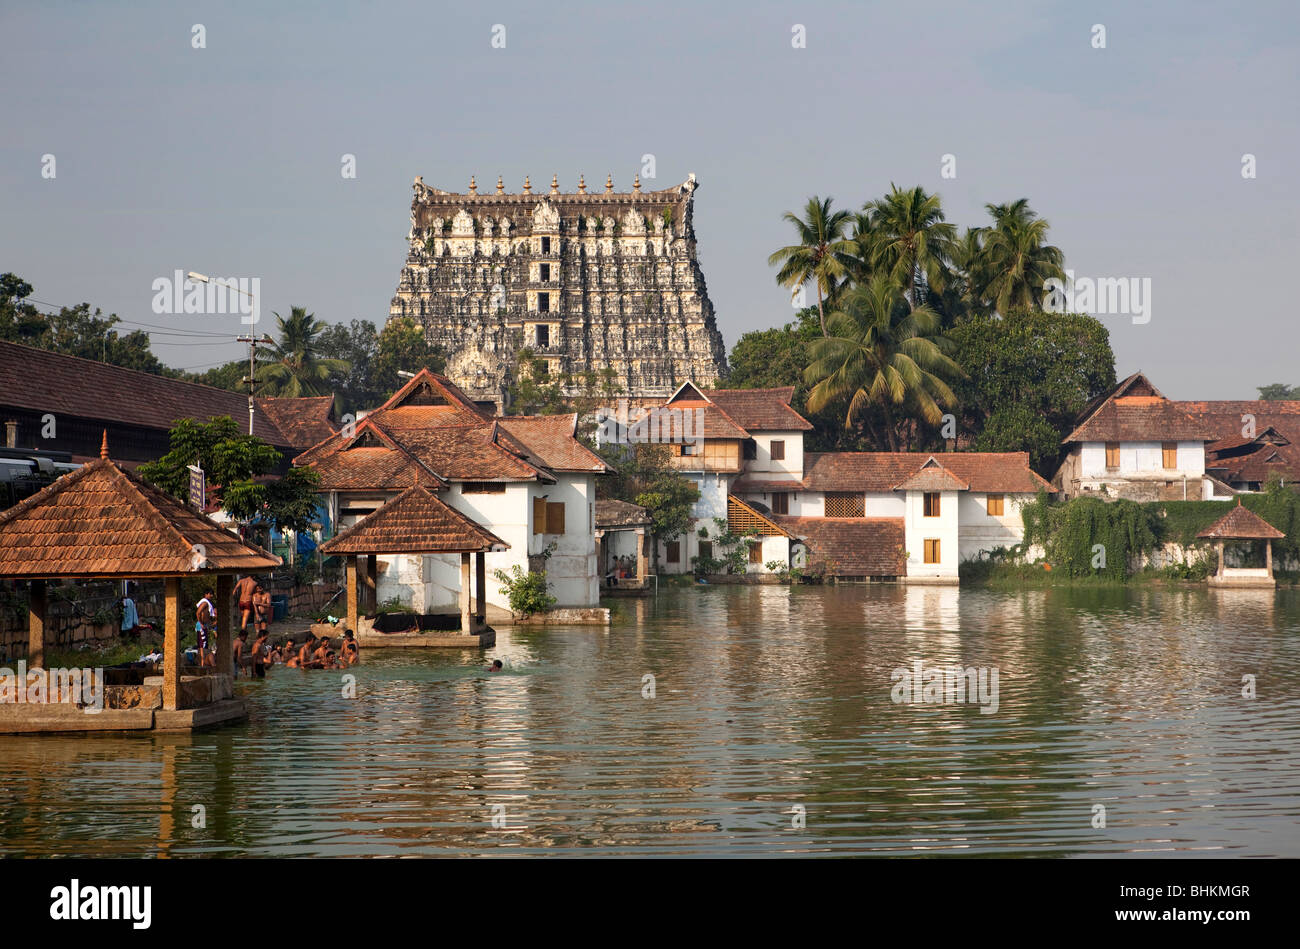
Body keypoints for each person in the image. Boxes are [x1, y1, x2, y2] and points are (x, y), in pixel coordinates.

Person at [195, 589, 217, 668]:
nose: (211, 596)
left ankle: (202, 663)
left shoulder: (207, 603)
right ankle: (202, 663)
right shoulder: (204, 603)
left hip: (204, 625)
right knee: (202, 645)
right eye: (210, 594)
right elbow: (198, 612)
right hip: (201, 625)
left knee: (203, 645)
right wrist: (201, 623)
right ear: (206, 594)